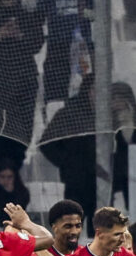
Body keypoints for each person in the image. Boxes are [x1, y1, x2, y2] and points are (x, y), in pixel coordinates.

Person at [0, 0, 45, 169]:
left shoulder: (28, 17)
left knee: (24, 126)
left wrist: (20, 36)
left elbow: (37, 43)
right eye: (6, 0)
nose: (10, 3)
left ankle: (18, 163)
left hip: (25, 79)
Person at [40, 75, 97, 230]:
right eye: (95, 89)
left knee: (99, 224)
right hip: (76, 178)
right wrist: (67, 162)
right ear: (88, 90)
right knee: (73, 221)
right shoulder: (69, 114)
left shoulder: (111, 112)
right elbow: (46, 143)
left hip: (103, 178)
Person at [36, 0, 95, 102]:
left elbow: (100, 14)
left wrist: (82, 12)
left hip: (83, 50)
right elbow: (38, 17)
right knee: (54, 95)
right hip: (57, 49)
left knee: (82, 92)